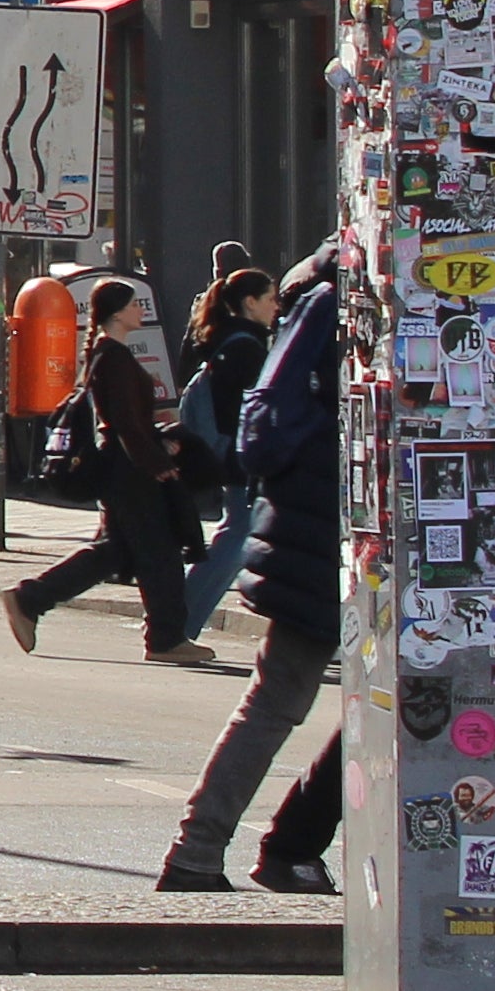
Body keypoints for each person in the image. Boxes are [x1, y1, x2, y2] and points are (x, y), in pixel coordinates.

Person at [160, 248, 345, 896]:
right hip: (326, 541)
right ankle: (202, 852)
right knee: (278, 701)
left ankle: (266, 848)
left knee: (404, 707)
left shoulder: (321, 304)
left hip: (323, 535)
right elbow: (264, 430)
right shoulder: (334, 303)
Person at [0, 274, 204, 658]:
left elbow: (124, 417)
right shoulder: (113, 356)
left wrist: (154, 432)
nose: (138, 310)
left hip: (122, 465)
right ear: (114, 313)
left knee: (115, 552)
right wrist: (155, 460)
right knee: (159, 551)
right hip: (129, 470)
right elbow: (122, 421)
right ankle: (165, 639)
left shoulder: (107, 354)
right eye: (131, 304)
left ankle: (30, 599)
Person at [166, 258, 277, 664]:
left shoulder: (223, 339)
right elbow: (246, 414)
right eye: (269, 298)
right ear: (249, 302)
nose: (275, 306)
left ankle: (175, 623)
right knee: (235, 541)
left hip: (233, 459)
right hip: (242, 462)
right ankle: (176, 626)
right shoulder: (246, 348)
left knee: (243, 539)